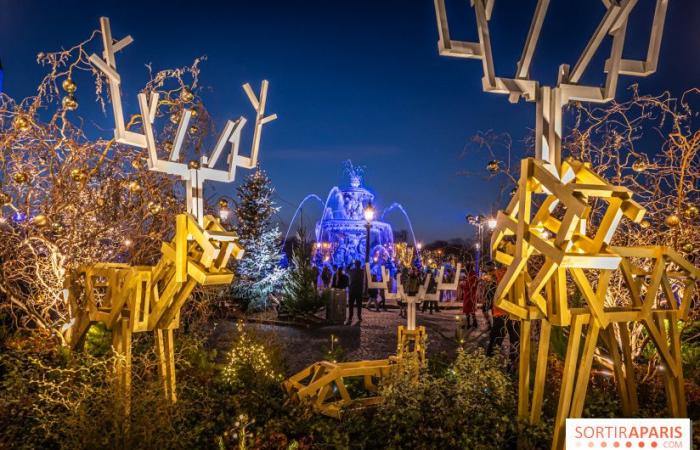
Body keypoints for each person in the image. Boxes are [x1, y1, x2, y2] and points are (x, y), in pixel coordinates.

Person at [486, 267, 519, 366]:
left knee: (497, 339)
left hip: (501, 313)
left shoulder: (496, 276)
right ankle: (513, 366)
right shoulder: (516, 272)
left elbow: (490, 295)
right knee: (515, 340)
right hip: (514, 312)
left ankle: (490, 364)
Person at [346, 260, 364, 324]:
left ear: (355, 264)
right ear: (360, 264)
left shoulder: (352, 271)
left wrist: (351, 263)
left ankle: (350, 317)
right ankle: (359, 316)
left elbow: (346, 269)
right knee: (359, 304)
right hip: (359, 290)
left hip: (352, 289)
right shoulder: (362, 271)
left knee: (351, 304)